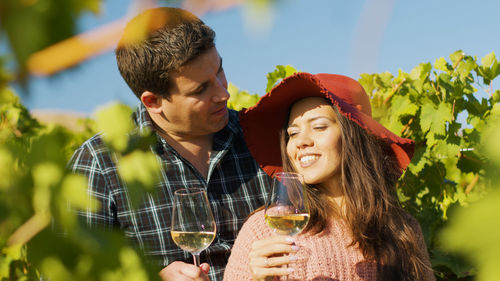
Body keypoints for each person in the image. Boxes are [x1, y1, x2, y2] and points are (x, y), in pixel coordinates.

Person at [69, 7, 271, 281]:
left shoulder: (261, 135)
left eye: (220, 71)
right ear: (153, 102)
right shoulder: (99, 164)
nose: (223, 93)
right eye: (201, 90)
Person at [223, 72, 435, 281]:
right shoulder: (264, 229)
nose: (301, 141)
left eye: (319, 127)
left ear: (354, 136)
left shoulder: (402, 229)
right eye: (293, 133)